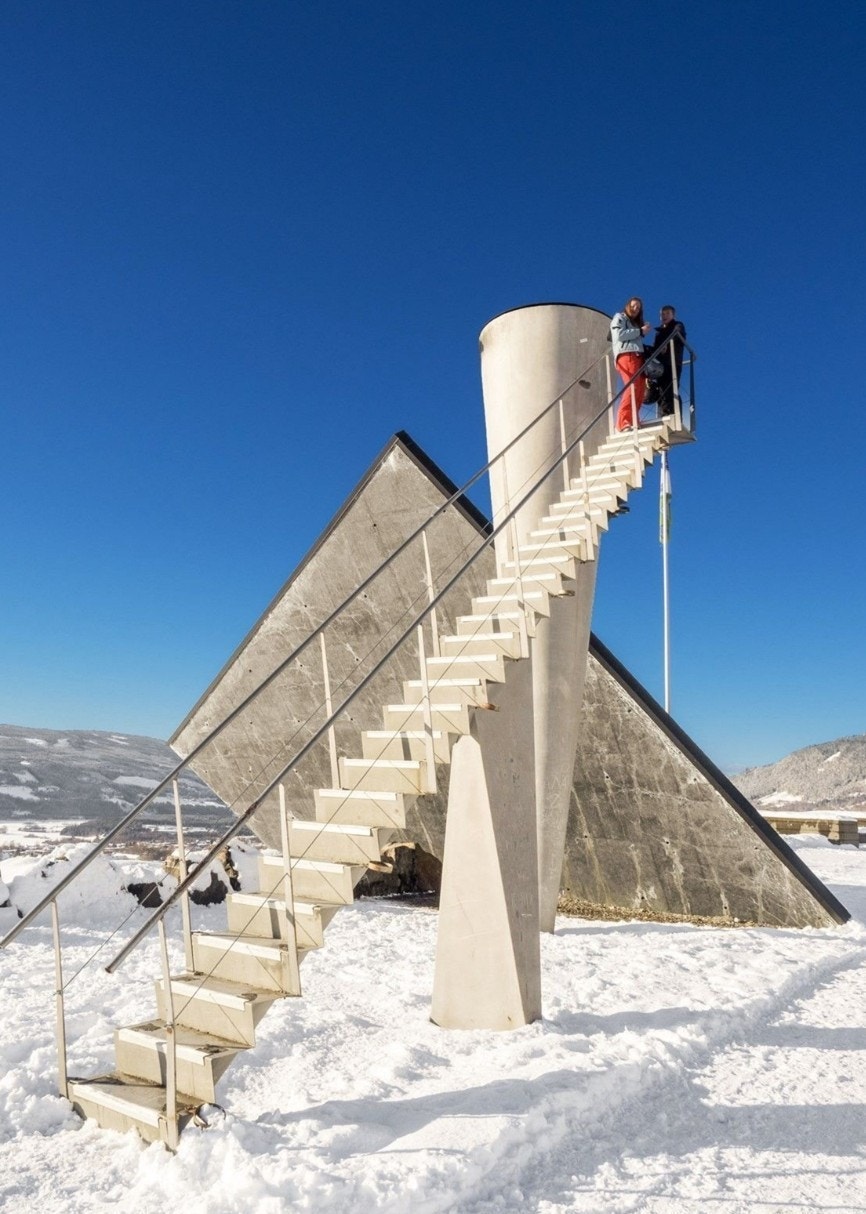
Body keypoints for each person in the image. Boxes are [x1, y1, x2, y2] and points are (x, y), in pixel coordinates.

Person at [610, 297, 652, 431]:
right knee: (632, 387)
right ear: (628, 306)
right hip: (627, 355)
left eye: (638, 308)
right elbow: (619, 334)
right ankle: (623, 422)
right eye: (634, 306)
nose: (635, 309)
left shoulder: (634, 324)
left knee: (640, 389)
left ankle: (634, 419)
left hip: (638, 356)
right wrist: (640, 331)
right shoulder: (620, 317)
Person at [647, 304, 687, 417]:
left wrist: (667, 344)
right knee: (661, 390)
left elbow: (678, 334)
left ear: (673, 315)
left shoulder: (678, 325)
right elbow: (655, 349)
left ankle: (670, 416)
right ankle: (663, 415)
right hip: (660, 365)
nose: (664, 316)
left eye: (667, 313)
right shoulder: (659, 332)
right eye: (662, 314)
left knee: (670, 389)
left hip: (673, 363)